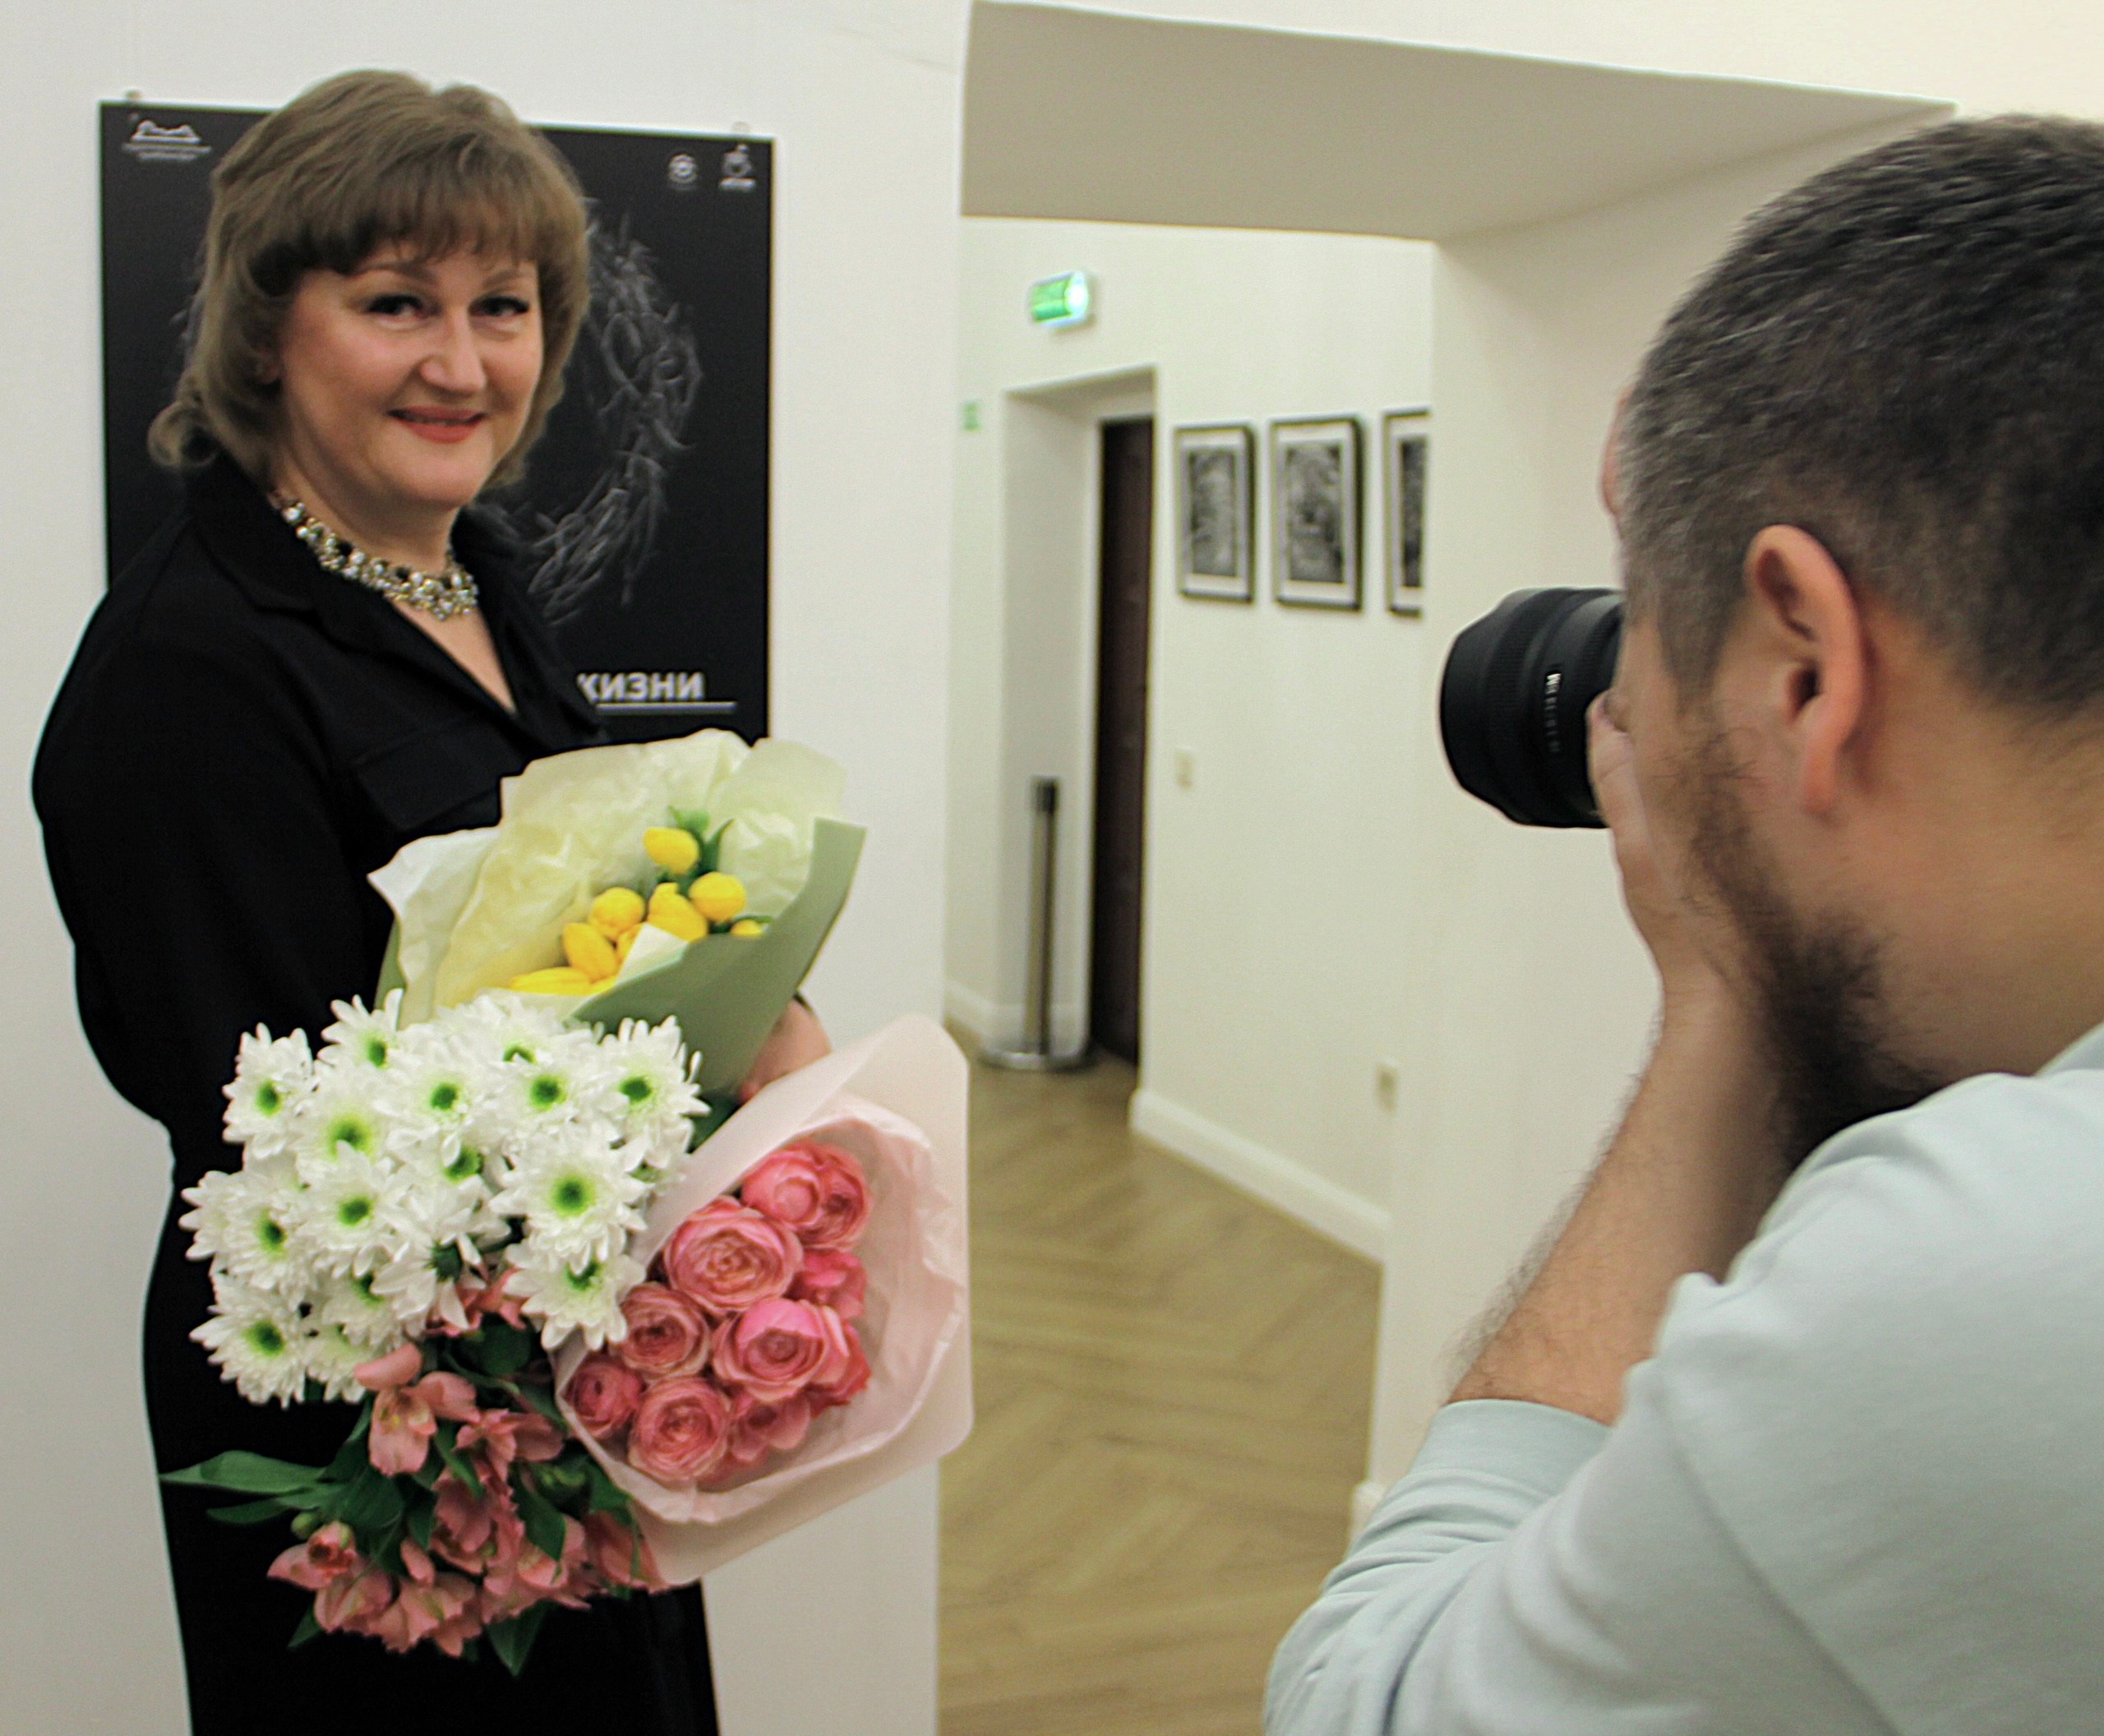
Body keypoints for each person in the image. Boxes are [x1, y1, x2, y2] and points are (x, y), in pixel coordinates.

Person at [1269, 115, 2104, 1734]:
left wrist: (1721, 993)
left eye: (1648, 632)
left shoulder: (1989, 1275)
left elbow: (1363, 1704)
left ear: (1805, 667)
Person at [35, 70, 824, 1734]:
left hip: (565, 1367)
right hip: (371, 1427)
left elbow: (588, 897)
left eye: (502, 307)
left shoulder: (476, 573)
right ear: (267, 333)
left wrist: (753, 1007)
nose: (461, 365)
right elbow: (275, 1123)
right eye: (396, 302)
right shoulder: (187, 668)